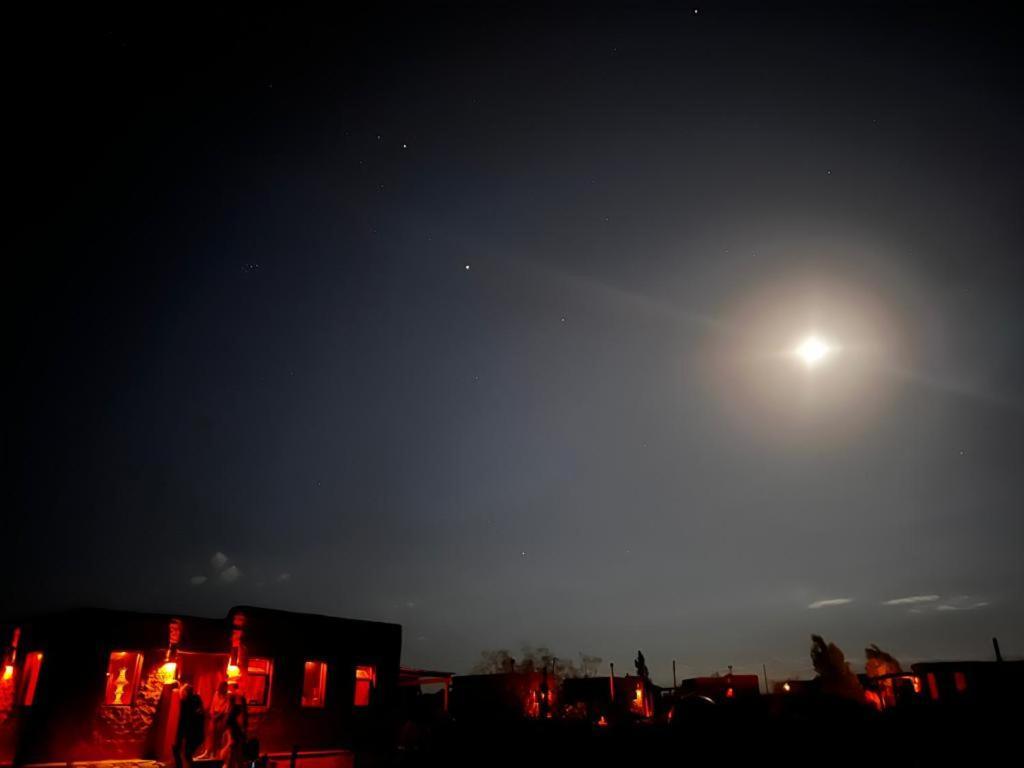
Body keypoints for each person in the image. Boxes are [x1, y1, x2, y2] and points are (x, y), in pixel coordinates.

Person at [174, 684, 206, 768]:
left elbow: (185, 717)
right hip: (192, 730)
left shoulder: (187, 701)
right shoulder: (195, 699)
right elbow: (200, 713)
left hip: (190, 730)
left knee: (183, 751)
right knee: (185, 753)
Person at [220, 682, 249, 768]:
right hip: (234, 736)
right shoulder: (236, 710)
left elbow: (231, 723)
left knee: (234, 758)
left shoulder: (235, 711)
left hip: (234, 737)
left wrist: (231, 738)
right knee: (234, 759)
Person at [202, 681, 230, 758]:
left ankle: (215, 754)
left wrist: (218, 716)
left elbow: (225, 709)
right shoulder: (216, 694)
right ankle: (209, 751)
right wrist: (212, 715)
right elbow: (213, 705)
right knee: (211, 734)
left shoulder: (227, 697)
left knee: (218, 736)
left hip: (221, 717)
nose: (226, 689)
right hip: (214, 715)